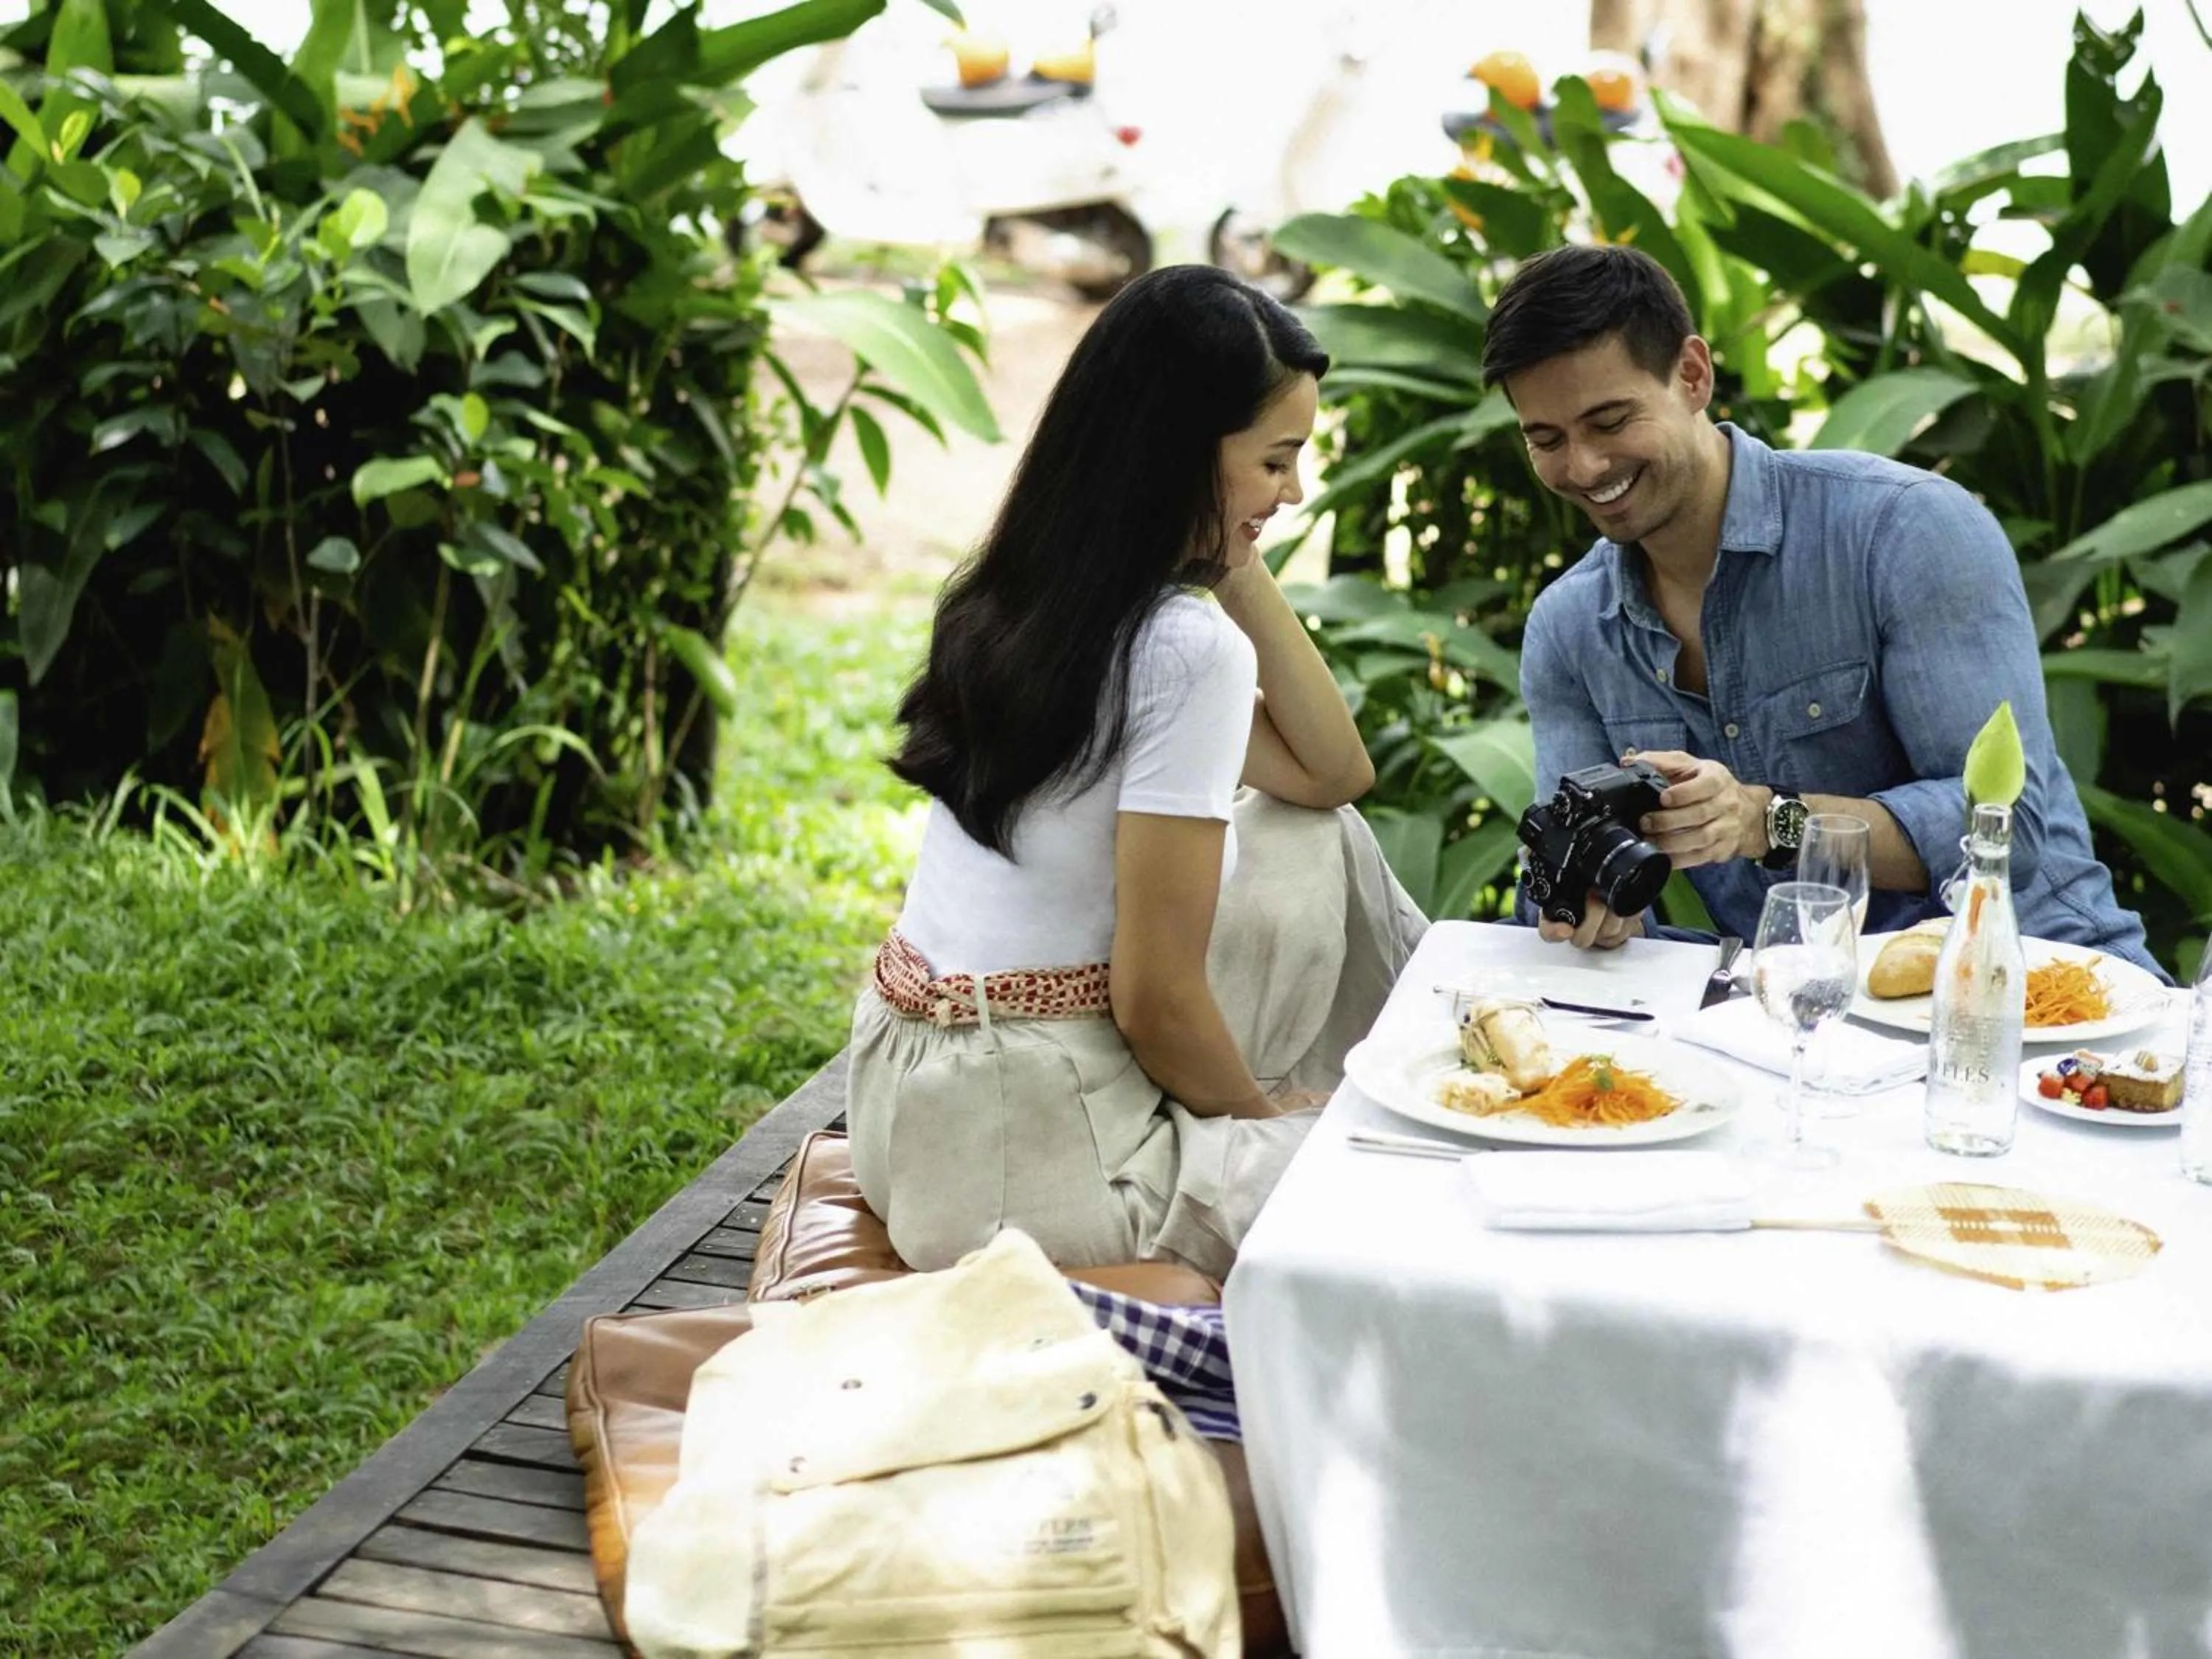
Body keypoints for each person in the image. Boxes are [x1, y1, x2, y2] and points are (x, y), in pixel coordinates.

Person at [849, 265, 1429, 1280]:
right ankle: (1437, 1063)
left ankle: (1426, 1052)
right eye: (1275, 461)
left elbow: (1334, 775)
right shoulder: (1179, 651)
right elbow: (1153, 999)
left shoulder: (1016, 594)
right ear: (1178, 459)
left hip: (904, 1106)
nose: (1292, 493)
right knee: (1408, 1174)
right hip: (1023, 1160)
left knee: (1315, 832)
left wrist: (1226, 543)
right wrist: (1257, 1127)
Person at [1484, 243, 2160, 973]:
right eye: (1546, 440)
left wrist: (1763, 820)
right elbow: (1572, 874)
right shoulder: (1566, 629)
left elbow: (2007, 829)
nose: (1582, 467)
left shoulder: (1906, 530)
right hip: (1791, 1019)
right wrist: (1582, 901)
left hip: (2040, 991)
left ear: (1692, 376)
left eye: (1610, 422)